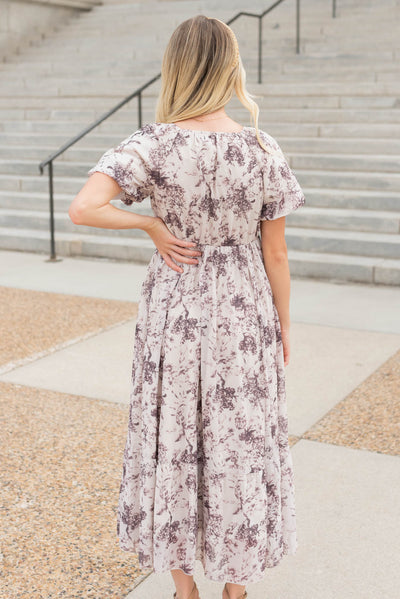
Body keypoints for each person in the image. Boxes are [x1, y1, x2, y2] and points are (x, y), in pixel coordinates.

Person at [69, 14, 306, 599]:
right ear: (229, 67)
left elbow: (84, 207)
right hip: (245, 308)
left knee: (173, 431)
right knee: (239, 437)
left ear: (175, 68)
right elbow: (275, 253)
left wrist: (150, 223)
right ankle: (236, 585)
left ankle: (183, 587)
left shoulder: (152, 143)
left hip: (178, 301)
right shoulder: (260, 146)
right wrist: (283, 324)